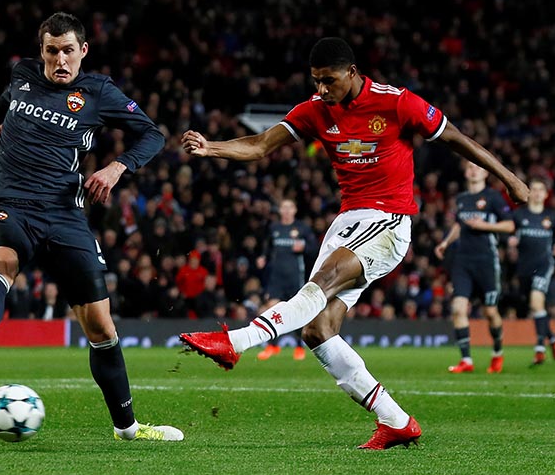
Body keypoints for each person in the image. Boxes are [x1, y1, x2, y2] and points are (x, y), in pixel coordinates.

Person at [179, 37, 528, 450]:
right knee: (317, 329)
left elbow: (453, 137)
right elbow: (259, 145)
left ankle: (235, 342)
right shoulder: (314, 110)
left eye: (329, 81)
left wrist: (509, 178)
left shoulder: (396, 103)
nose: (322, 89)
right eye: (316, 81)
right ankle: (396, 421)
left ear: (352, 72)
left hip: (388, 220)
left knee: (323, 281)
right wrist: (211, 148)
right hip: (348, 222)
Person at [0, 12, 182, 442]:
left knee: (101, 327)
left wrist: (116, 168)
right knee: (0, 262)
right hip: (11, 204)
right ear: (41, 52)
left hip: (64, 215)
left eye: (68, 51)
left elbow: (152, 136)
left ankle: (127, 429)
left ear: (83, 51)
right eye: (52, 51)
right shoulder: (22, 76)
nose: (60, 60)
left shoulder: (97, 92)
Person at [434, 161, 515, 374]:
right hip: (463, 261)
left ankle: (497, 352)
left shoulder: (494, 197)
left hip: (487, 261)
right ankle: (466, 360)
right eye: (470, 167)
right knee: (458, 309)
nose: (473, 170)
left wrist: (485, 226)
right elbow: (460, 225)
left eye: (477, 167)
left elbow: (509, 225)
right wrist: (446, 242)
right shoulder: (461, 199)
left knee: (490, 312)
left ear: (485, 174)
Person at [509, 177, 555, 365]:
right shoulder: (518, 215)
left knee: (536, 301)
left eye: (542, 189)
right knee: (534, 307)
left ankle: (540, 348)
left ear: (546, 194)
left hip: (544, 264)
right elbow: (509, 233)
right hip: (524, 267)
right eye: (535, 189)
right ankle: (552, 338)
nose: (538, 193)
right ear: (529, 192)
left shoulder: (552, 217)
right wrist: (510, 242)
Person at [256, 199, 317, 361]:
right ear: (280, 210)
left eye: (290, 207)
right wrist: (263, 257)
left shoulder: (302, 228)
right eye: (284, 207)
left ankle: (299, 347)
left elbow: (314, 248)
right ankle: (272, 346)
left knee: (296, 311)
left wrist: (304, 247)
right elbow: (267, 246)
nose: (287, 210)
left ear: (295, 210)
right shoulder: (274, 228)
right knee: (271, 309)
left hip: (294, 277)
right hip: (276, 277)